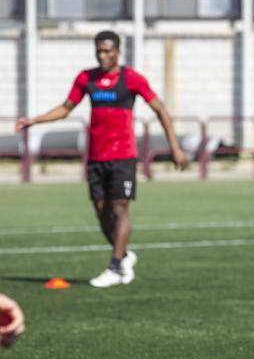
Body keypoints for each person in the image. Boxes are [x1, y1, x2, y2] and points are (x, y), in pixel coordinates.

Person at [16, 30, 188, 287]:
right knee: (101, 211)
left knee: (120, 209)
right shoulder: (86, 78)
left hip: (123, 156)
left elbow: (159, 109)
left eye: (108, 50)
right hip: (96, 156)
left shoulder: (132, 79)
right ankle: (125, 255)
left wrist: (175, 147)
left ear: (118, 51)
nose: (103, 55)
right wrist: (35, 120)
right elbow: (66, 108)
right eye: (99, 51)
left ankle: (114, 265)